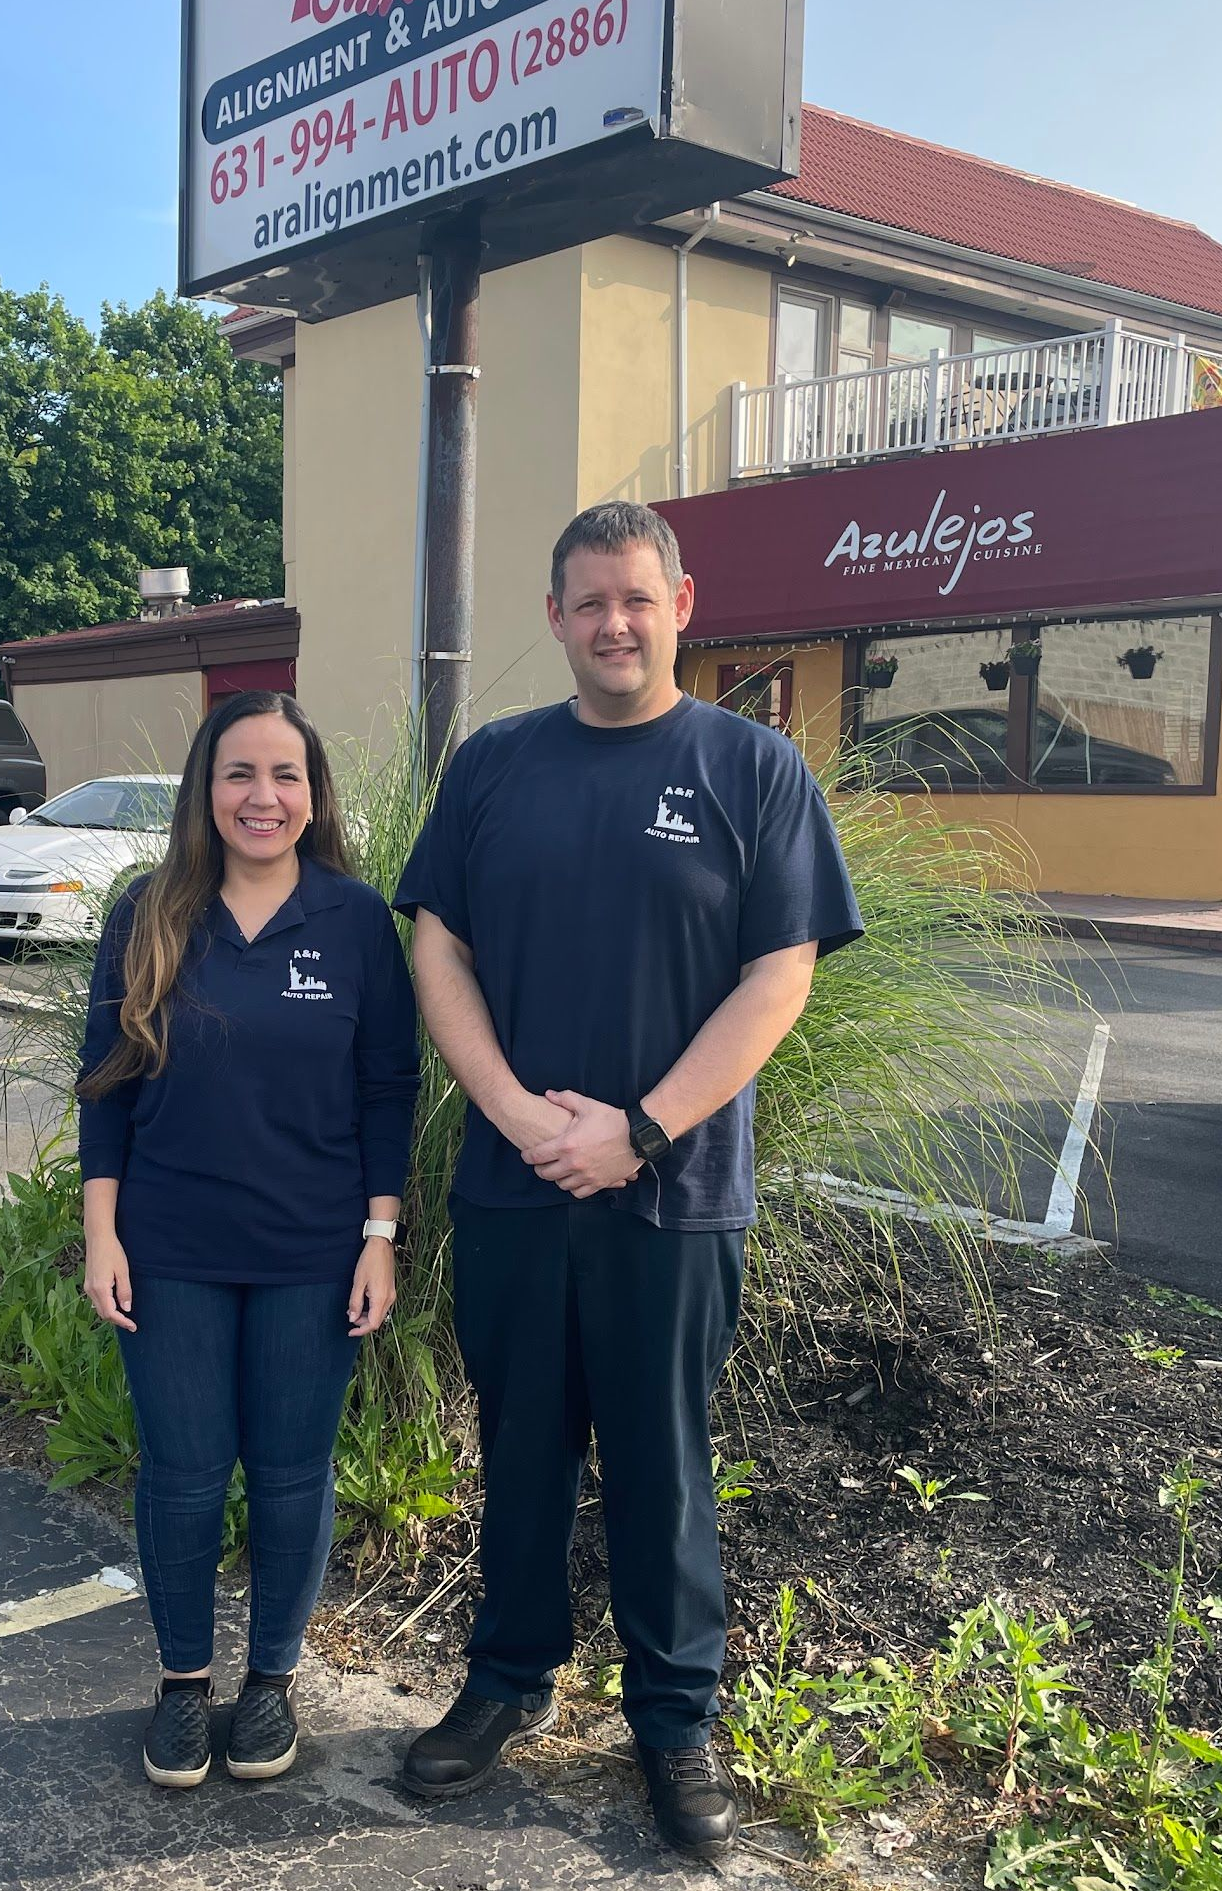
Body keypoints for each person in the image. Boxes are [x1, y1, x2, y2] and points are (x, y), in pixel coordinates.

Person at [393, 501, 862, 1861]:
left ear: (681, 603)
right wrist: (516, 1114)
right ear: (554, 615)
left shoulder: (752, 768)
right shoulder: (493, 767)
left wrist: (638, 1130)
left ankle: (672, 1719)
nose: (614, 623)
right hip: (515, 1183)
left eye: (637, 599)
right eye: (589, 600)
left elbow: (783, 974)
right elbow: (439, 945)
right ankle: (507, 1676)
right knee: (520, 1445)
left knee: (664, 1463)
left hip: (676, 1190)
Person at [78, 690, 419, 1791]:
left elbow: (386, 1092)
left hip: (312, 1251)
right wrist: (102, 1234)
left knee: (287, 1473)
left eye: (285, 775)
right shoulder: (148, 913)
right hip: (168, 1244)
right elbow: (105, 1089)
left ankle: (270, 1679)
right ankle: (184, 1683)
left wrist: (380, 1235)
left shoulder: (356, 919)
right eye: (239, 773)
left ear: (312, 795)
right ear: (204, 789)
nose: (262, 796)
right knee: (181, 1475)